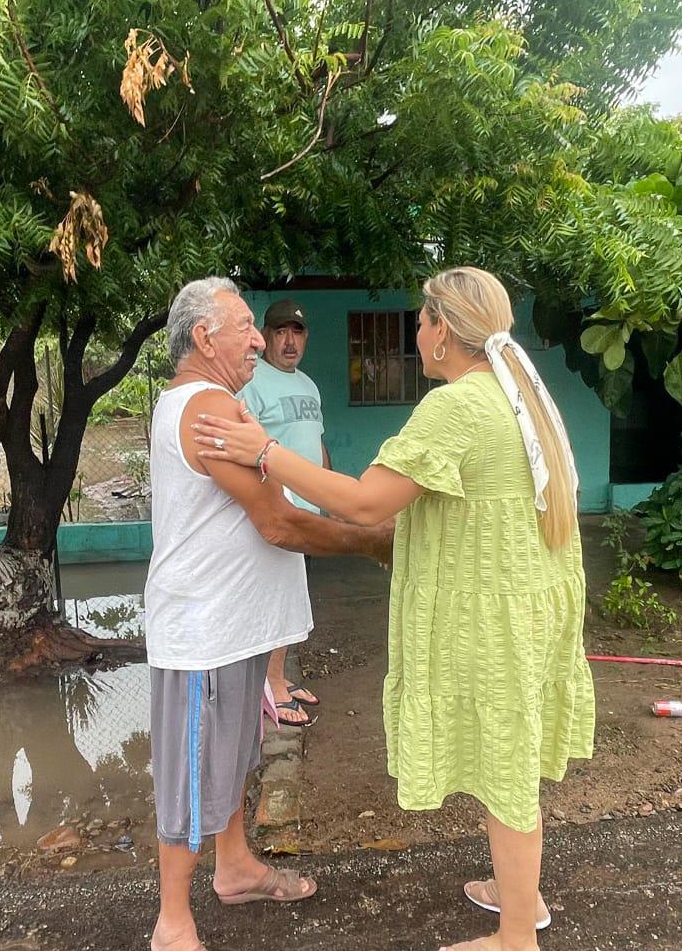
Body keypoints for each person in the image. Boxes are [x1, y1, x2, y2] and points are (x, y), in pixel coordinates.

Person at [193, 267, 596, 951]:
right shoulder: (513, 393)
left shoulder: (459, 406)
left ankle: (515, 939)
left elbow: (364, 501)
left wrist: (263, 452)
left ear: (442, 329)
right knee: (514, 750)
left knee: (502, 762)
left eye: (420, 320)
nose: (416, 332)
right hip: (533, 601)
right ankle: (515, 895)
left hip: (493, 612)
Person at [145, 276, 393, 951]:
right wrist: (372, 540)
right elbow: (279, 522)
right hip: (204, 630)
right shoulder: (207, 409)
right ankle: (173, 922)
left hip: (234, 624)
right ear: (204, 337)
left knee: (232, 755)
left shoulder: (217, 403)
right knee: (194, 771)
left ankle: (235, 868)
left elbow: (277, 487)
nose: (259, 338)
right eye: (246, 326)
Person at [238, 298, 330, 727]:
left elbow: (315, 444)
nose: (289, 341)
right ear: (267, 337)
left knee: (291, 600)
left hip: (306, 511)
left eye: (297, 332)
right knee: (276, 601)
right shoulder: (254, 384)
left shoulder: (309, 385)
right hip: (278, 512)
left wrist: (329, 495)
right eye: (280, 332)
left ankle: (278, 677)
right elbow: (246, 450)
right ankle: (272, 687)